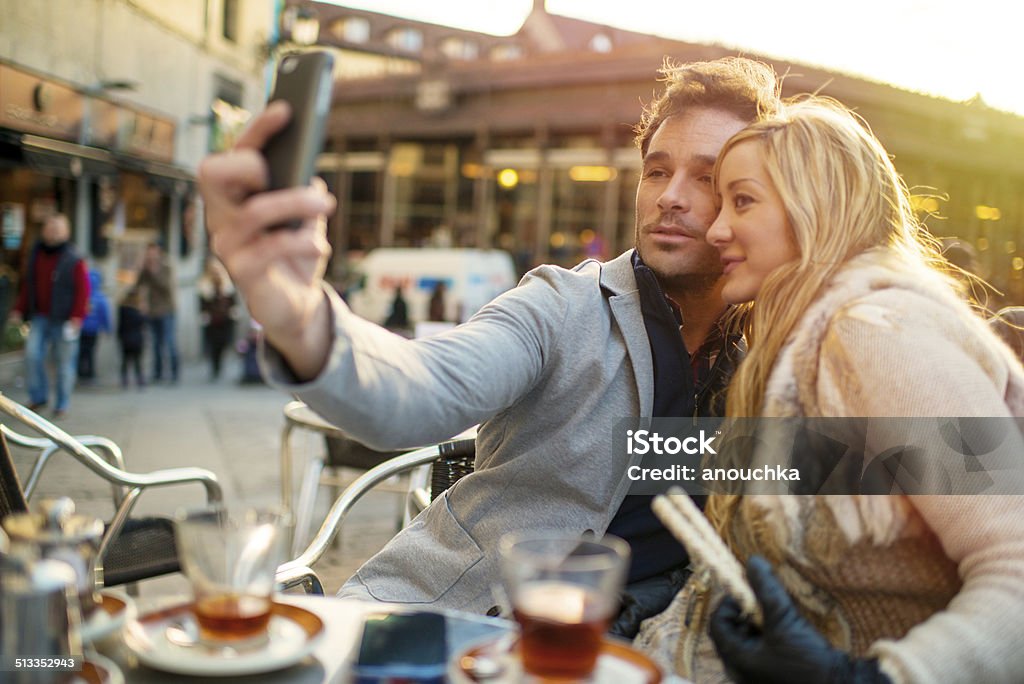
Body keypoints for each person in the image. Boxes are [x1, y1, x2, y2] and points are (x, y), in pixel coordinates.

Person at [198, 57, 781, 629]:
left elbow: (844, 489)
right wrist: (300, 317)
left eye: (706, 178)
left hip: (639, 652)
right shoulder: (562, 307)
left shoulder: (776, 350)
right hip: (451, 632)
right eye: (656, 170)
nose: (669, 196)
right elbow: (416, 390)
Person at [635, 98, 1024, 683]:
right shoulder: (811, 343)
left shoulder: (878, 333)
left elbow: (1014, 559)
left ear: (819, 206)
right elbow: (867, 478)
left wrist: (867, 678)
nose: (717, 229)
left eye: (742, 200)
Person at [9, 214, 89, 418]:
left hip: (64, 319)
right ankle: (38, 397)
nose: (53, 232)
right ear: (43, 230)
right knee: (32, 355)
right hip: (41, 316)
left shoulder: (73, 258)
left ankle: (62, 403)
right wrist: (19, 308)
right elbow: (29, 286)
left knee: (64, 363)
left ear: (66, 232)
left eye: (58, 228)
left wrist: (77, 317)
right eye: (50, 227)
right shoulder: (37, 254)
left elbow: (83, 289)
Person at [134, 242, 179, 383]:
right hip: (152, 311)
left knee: (169, 342)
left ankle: (174, 372)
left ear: (159, 251)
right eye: (148, 251)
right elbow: (138, 284)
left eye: (153, 251)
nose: (150, 254)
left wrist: (154, 272)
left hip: (167, 310)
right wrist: (140, 268)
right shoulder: (146, 268)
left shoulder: (167, 266)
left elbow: (166, 287)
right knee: (155, 344)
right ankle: (158, 373)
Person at [197, 259, 238, 381]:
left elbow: (233, 302)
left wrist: (233, 313)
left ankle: (219, 365)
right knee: (213, 345)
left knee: (223, 343)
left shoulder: (227, 286)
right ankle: (215, 367)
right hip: (212, 320)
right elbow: (202, 304)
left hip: (225, 319)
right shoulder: (205, 286)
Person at [77, 268, 112, 384]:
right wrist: (107, 329)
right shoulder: (101, 298)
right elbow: (104, 315)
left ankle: (80, 373)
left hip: (81, 329)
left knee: (81, 352)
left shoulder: (82, 296)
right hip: (93, 331)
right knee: (91, 352)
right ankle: (90, 373)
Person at [116, 289, 146, 389]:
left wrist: (119, 337)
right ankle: (140, 380)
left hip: (125, 339)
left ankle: (124, 380)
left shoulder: (122, 310)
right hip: (137, 340)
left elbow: (120, 325)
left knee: (125, 361)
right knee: (137, 361)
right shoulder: (138, 311)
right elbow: (143, 323)